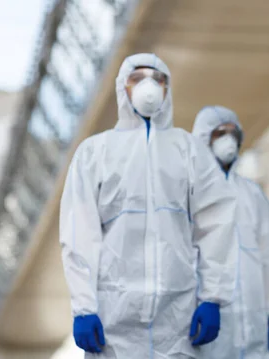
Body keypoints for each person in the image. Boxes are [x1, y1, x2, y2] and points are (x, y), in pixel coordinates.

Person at [59, 53, 238, 358]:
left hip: (179, 319)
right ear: (122, 88)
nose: (148, 86)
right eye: (137, 78)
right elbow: (79, 234)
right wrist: (84, 307)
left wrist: (213, 298)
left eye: (158, 79)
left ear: (167, 89)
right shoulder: (95, 152)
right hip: (114, 319)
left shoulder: (188, 149)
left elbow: (217, 224)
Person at [192, 106, 269, 358]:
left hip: (253, 329)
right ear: (202, 138)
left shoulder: (251, 194)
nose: (228, 139)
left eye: (233, 133)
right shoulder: (188, 192)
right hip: (205, 328)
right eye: (219, 132)